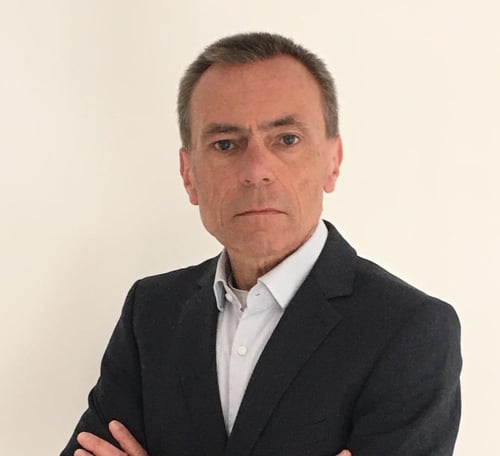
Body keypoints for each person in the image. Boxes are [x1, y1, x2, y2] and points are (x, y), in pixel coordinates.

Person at [61, 32, 461, 456]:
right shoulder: (151, 311)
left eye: (286, 139)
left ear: (333, 161)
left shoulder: (410, 330)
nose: (256, 171)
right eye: (225, 144)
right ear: (188, 174)